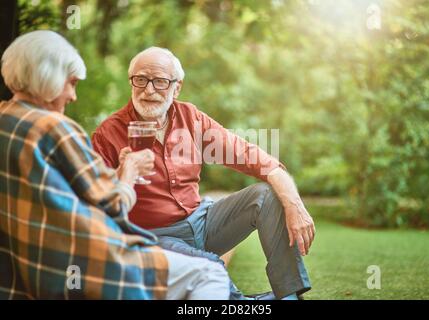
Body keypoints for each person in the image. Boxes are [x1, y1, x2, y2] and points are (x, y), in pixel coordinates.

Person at [0, 30, 230, 300]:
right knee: (210, 273)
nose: (73, 96)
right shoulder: (56, 129)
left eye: (159, 82)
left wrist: (120, 173)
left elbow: (82, 194)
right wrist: (130, 170)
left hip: (26, 268)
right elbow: (111, 206)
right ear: (47, 78)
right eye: (71, 83)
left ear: (175, 88)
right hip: (87, 259)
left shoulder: (6, 119)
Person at [92, 47, 316, 300]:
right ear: (131, 82)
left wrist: (294, 204)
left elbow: (256, 159)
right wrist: (123, 174)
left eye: (160, 82)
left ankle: (288, 296)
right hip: (152, 236)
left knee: (266, 195)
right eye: (141, 80)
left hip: (201, 221)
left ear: (176, 88)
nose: (149, 90)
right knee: (209, 266)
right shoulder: (108, 133)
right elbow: (97, 206)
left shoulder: (191, 118)